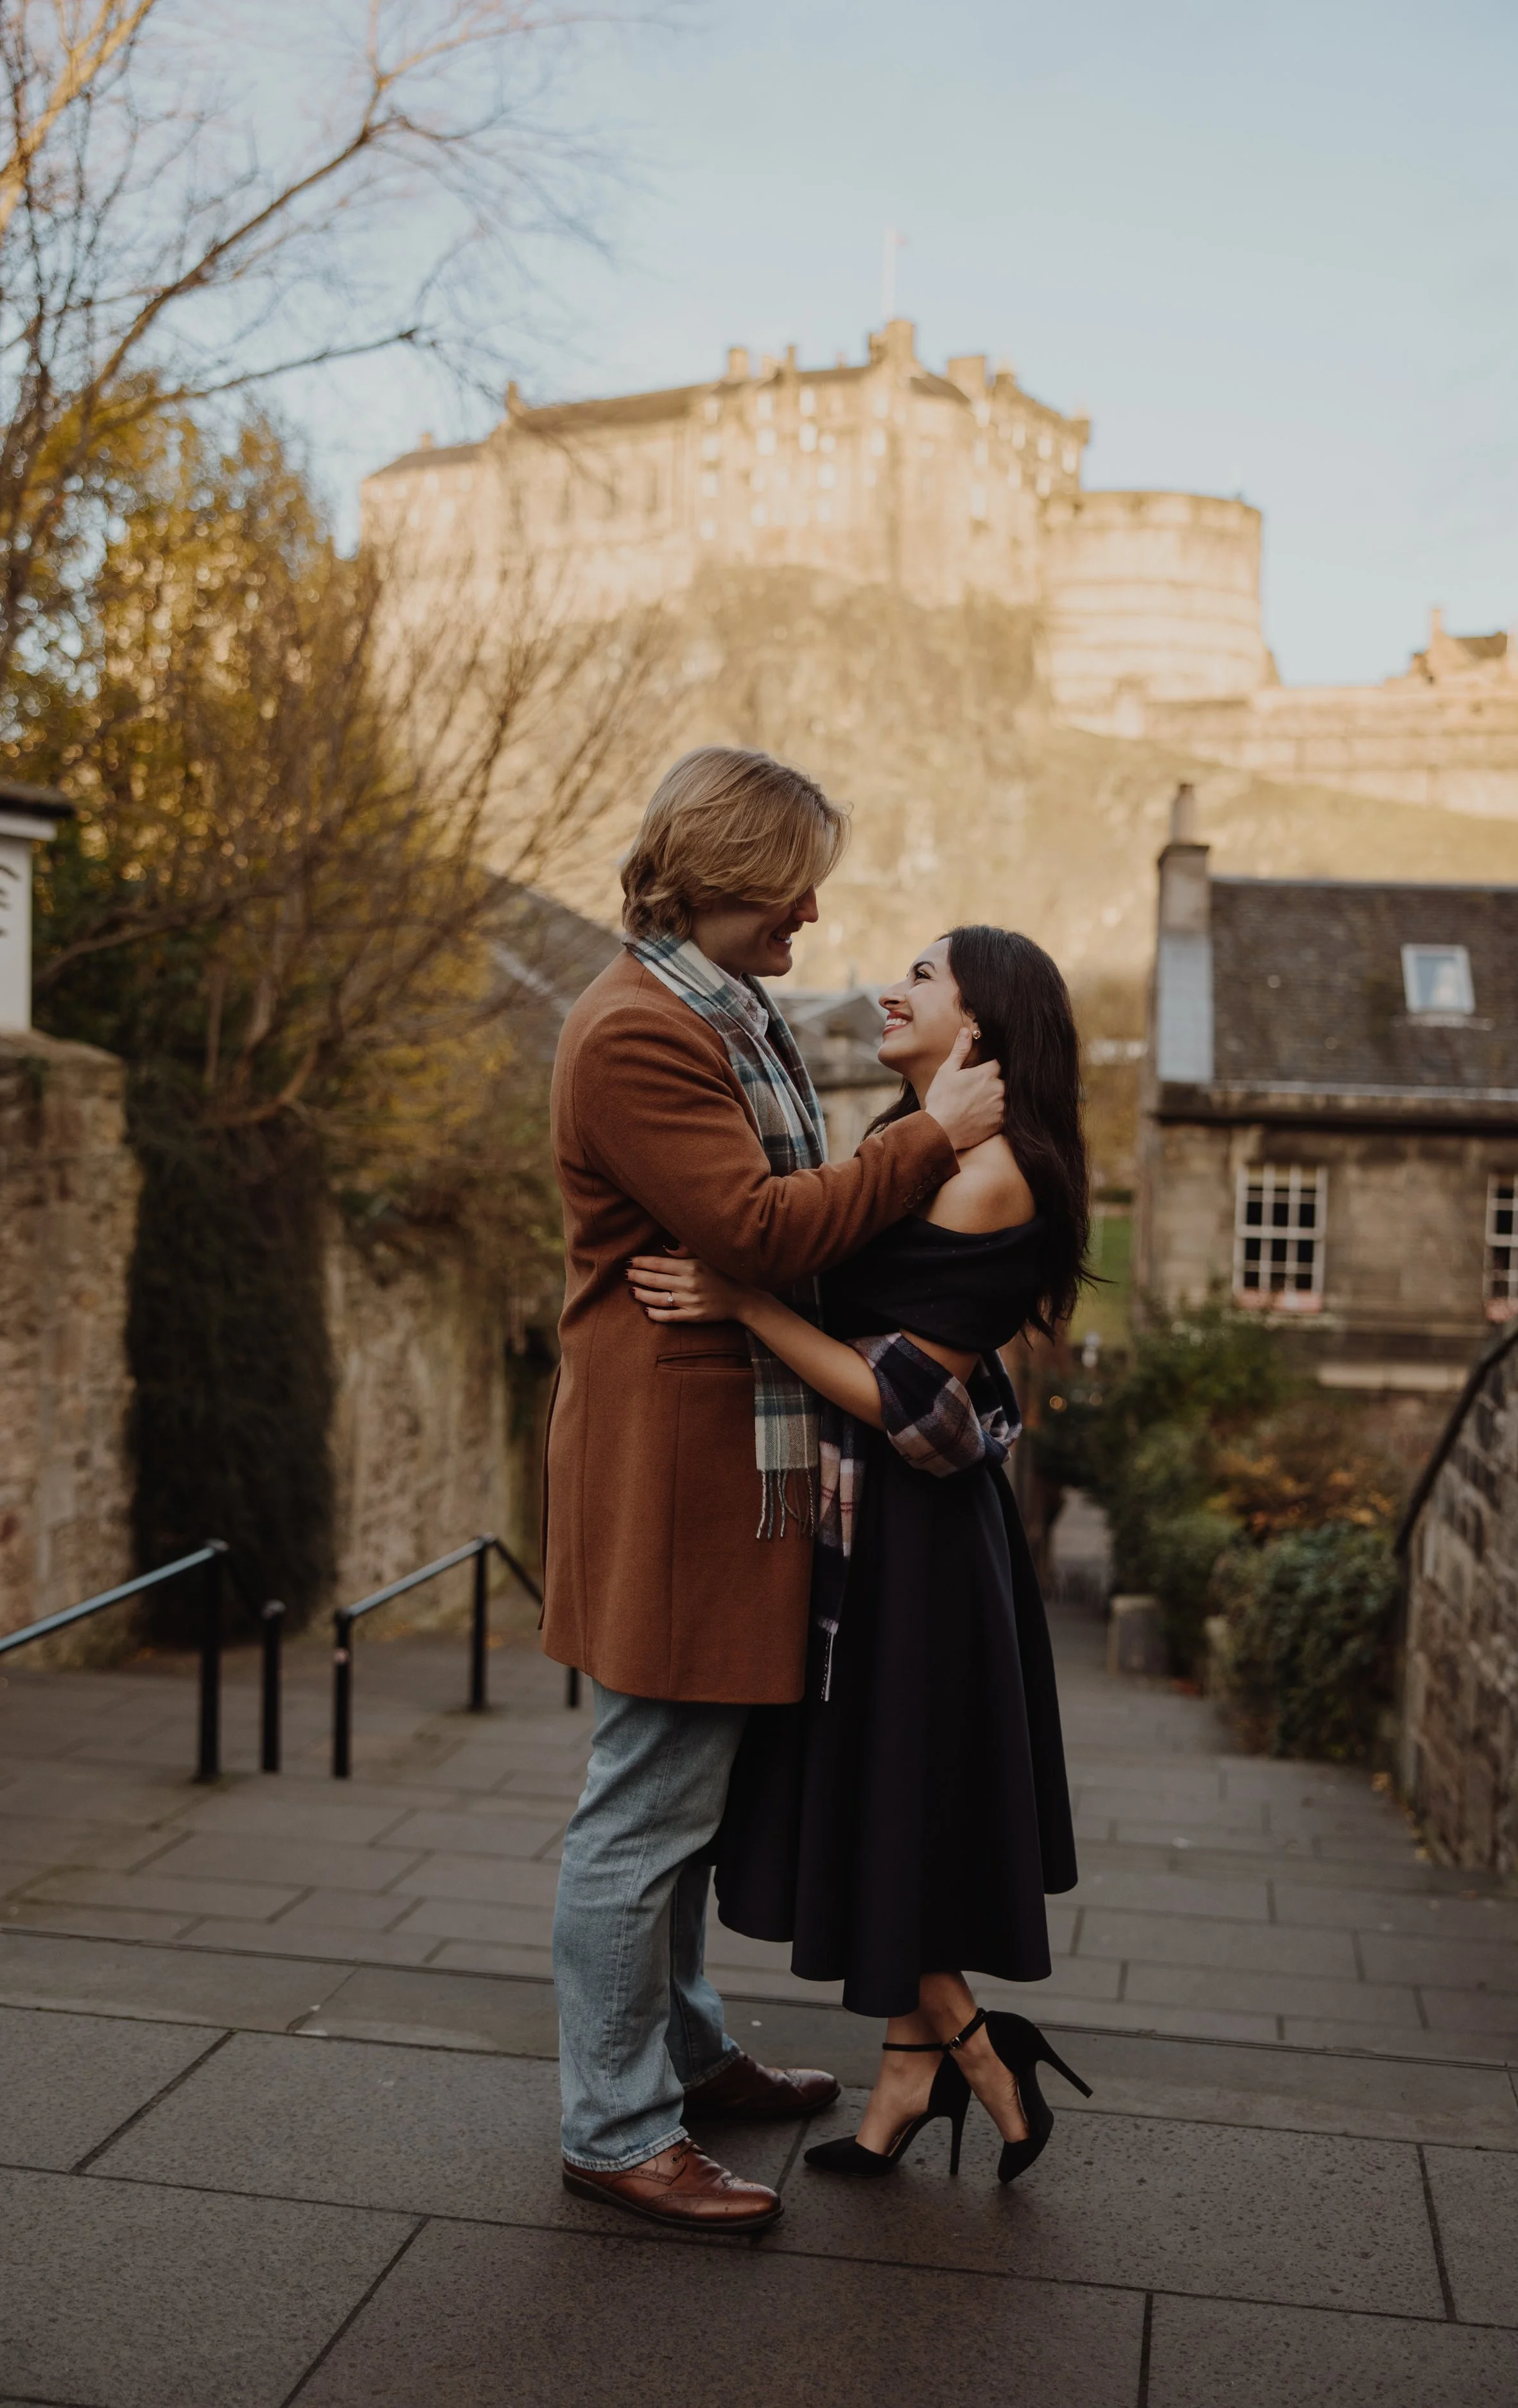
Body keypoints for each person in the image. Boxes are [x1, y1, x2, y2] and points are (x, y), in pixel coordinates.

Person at [543, 749, 1006, 2235]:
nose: (811, 912)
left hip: (732, 1462)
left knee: (679, 1808)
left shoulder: (718, 1012)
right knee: (641, 1812)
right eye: (790, 884)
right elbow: (747, 1224)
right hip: (677, 1478)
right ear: (726, 872)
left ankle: (680, 2056)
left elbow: (774, 1247)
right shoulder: (634, 1033)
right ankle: (615, 2131)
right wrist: (937, 1137)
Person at [627, 924, 1092, 2187]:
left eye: (924, 977)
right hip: (870, 1527)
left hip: (920, 1550)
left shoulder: (998, 1174)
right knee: (894, 1808)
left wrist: (744, 1304)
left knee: (893, 1798)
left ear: (986, 1024)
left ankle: (969, 2058)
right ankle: (924, 2069)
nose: (891, 989)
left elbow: (897, 1396)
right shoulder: (925, 1139)